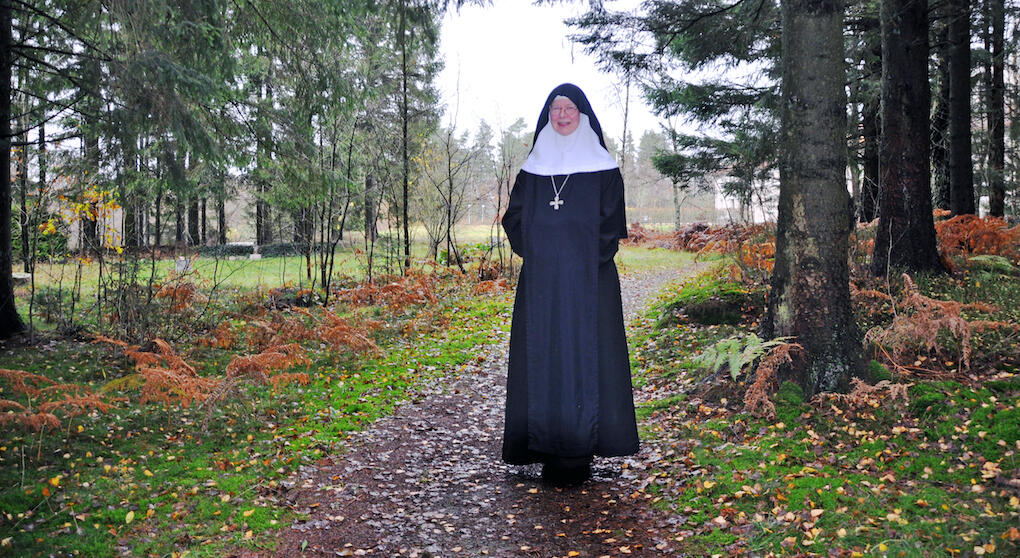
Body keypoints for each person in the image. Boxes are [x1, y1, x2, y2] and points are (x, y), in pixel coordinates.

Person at [501, 83, 639, 486]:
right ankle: (544, 447)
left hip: (590, 283)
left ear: (583, 114)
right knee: (543, 355)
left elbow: (612, 226)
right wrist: (541, 253)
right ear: (548, 115)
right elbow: (514, 219)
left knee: (588, 356)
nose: (562, 114)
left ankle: (584, 448)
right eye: (556, 108)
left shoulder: (604, 168)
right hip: (542, 283)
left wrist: (579, 259)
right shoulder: (532, 170)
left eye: (570, 108)